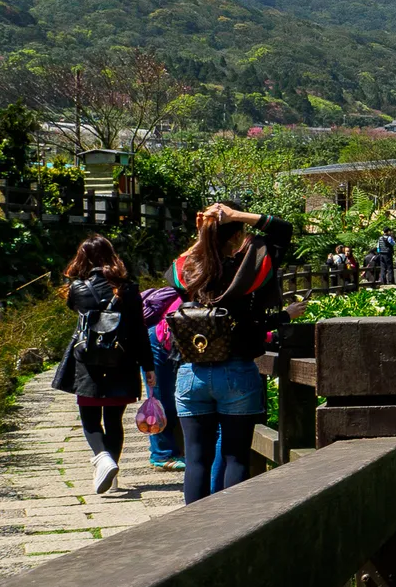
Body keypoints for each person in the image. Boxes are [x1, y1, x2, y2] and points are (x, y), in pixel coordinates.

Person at [165, 203, 304, 504]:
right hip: (237, 371)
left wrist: (206, 231)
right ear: (238, 234)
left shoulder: (188, 273)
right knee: (236, 457)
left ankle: (194, 531)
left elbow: (177, 265)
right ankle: (227, 533)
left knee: (196, 460)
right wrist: (236, 215)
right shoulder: (250, 270)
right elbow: (283, 229)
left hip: (192, 372)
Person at [52, 236, 158, 495]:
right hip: (122, 362)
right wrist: (148, 366)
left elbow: (77, 312)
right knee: (114, 421)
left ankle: (102, 458)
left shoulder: (76, 288)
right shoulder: (129, 289)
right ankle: (110, 473)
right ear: (112, 257)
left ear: (83, 258)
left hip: (88, 363)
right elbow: (139, 331)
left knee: (90, 421)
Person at [141, 282, 187, 471]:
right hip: (157, 341)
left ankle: (172, 450)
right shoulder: (195, 294)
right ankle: (161, 455)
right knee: (160, 399)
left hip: (164, 339)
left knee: (171, 397)